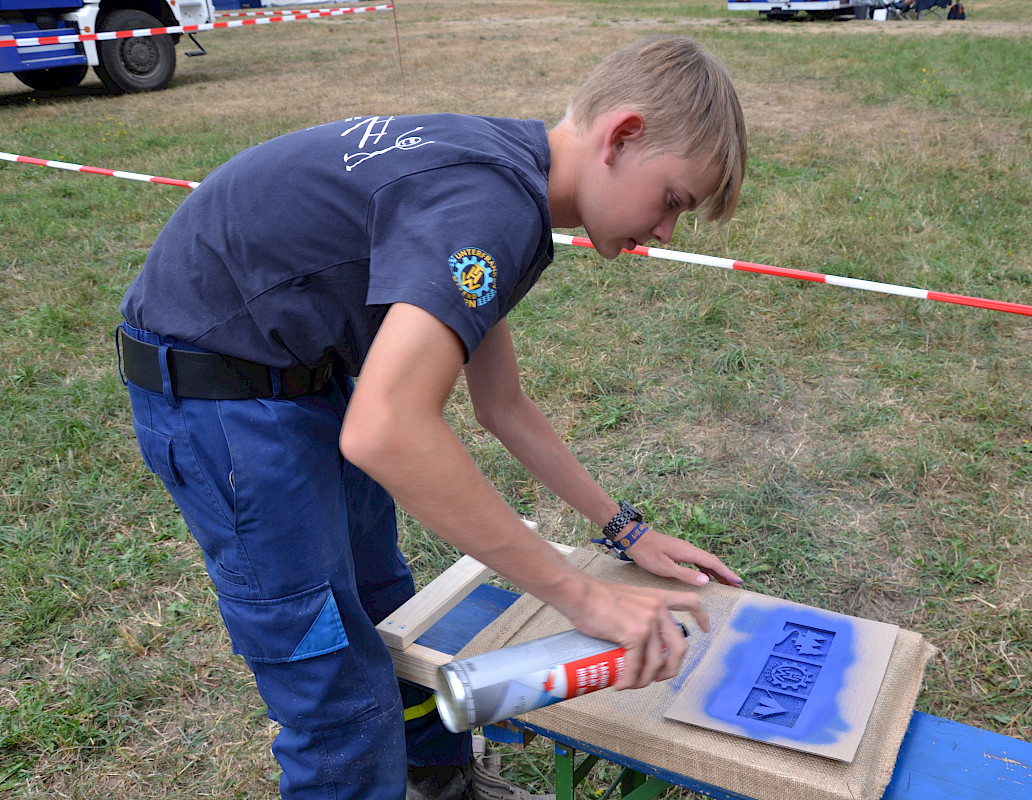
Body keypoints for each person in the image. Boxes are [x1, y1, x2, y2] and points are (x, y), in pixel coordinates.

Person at [115, 34, 747, 800]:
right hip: (223, 400)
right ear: (622, 136)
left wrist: (626, 531)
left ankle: (440, 785)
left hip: (301, 373)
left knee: (388, 608)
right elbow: (386, 428)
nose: (665, 232)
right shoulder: (492, 204)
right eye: (673, 200)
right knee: (340, 696)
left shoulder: (510, 180)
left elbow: (501, 404)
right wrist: (585, 596)